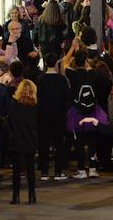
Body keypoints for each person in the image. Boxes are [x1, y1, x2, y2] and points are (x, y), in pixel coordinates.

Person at [36, 53, 71, 181]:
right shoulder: (61, 80)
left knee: (44, 142)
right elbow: (67, 98)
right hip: (59, 114)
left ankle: (44, 171)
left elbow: (37, 97)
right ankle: (58, 171)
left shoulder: (40, 79)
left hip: (43, 114)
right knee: (58, 143)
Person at [7, 79, 39, 204]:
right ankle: (32, 195)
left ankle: (16, 196)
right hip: (30, 140)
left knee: (16, 170)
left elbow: (9, 121)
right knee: (30, 170)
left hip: (17, 140)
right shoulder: (35, 106)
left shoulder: (14, 104)